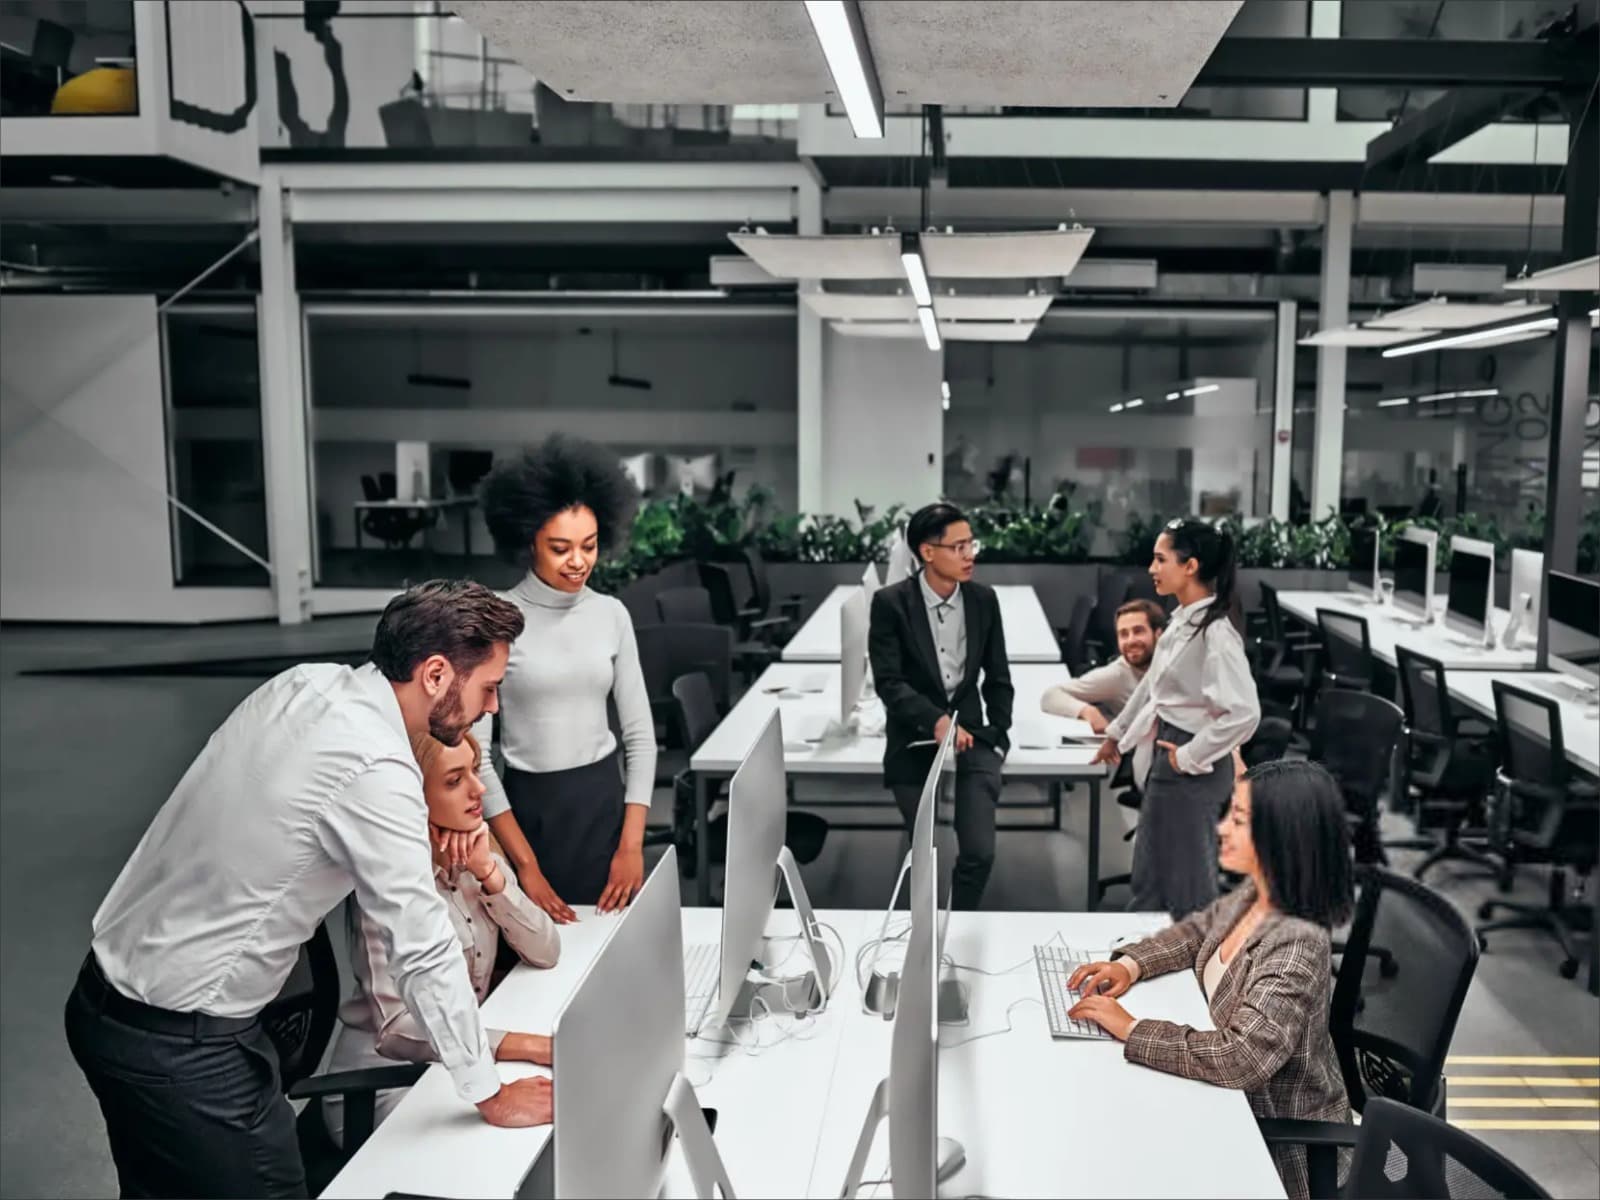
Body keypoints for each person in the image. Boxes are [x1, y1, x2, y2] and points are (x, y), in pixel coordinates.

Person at [64, 581, 551, 1200]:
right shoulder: (378, 766)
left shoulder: (303, 685)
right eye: (488, 686)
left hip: (106, 1001)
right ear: (435, 674)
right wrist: (489, 1091)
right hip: (183, 1047)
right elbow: (422, 946)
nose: (494, 706)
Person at [1066, 758, 1355, 1200]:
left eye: (1237, 821)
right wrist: (1130, 965)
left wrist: (1131, 1029)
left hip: (1274, 1140)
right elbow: (1196, 934)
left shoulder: (1296, 940)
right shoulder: (1258, 893)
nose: (1221, 829)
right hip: (1227, 1106)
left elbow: (1242, 1058)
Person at [321, 728, 561, 1147]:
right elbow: (396, 1029)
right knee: (513, 1142)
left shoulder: (474, 853)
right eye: (454, 781)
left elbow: (547, 950)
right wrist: (522, 1045)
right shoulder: (386, 887)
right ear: (412, 797)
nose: (478, 788)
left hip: (461, 1060)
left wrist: (490, 875)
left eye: (473, 771)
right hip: (384, 1084)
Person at [475, 435, 655, 922]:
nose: (578, 561)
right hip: (527, 814)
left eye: (589, 545)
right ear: (527, 538)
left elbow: (639, 736)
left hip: (603, 808)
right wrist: (525, 866)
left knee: (608, 946)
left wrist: (632, 845)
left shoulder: (611, 614)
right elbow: (478, 758)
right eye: (560, 548)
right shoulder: (498, 620)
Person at [1092, 518, 1260, 918]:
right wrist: (1117, 734)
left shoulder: (1215, 633)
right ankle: (1138, 963)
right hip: (1170, 754)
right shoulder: (1181, 621)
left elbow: (1244, 713)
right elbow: (1152, 686)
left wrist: (1189, 756)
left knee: (1189, 892)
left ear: (1190, 566)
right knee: (1149, 880)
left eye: (1160, 559)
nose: (1151, 569)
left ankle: (1202, 974)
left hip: (1190, 763)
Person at [868, 502, 1013, 910]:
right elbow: (889, 682)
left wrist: (999, 733)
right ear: (928, 552)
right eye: (958, 546)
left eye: (971, 544)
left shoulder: (984, 600)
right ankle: (922, 930)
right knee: (923, 847)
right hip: (914, 733)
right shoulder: (891, 603)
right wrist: (934, 720)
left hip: (976, 734)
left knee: (979, 851)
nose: (970, 555)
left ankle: (961, 919)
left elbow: (998, 675)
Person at [1041, 597, 1167, 732]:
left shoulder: (1177, 663)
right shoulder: (1118, 675)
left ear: (1158, 634)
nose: (1131, 641)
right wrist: (1088, 712)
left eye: (1138, 631)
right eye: (1123, 634)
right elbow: (1051, 696)